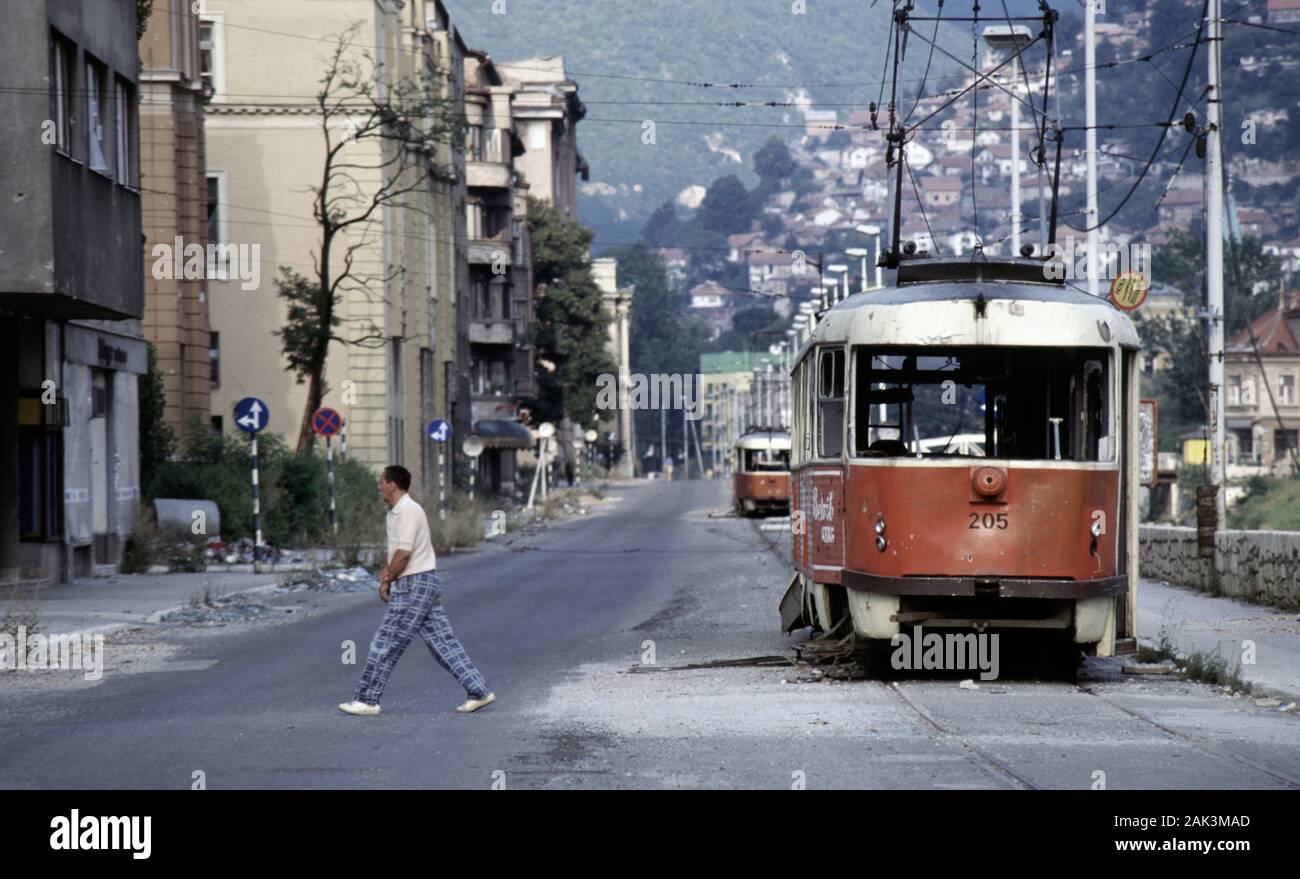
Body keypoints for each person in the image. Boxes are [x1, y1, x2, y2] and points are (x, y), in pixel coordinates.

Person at [338, 465, 494, 716]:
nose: (378, 486)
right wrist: (389, 578)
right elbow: (398, 552)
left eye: (381, 481)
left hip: (415, 583)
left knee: (387, 641)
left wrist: (388, 577)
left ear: (392, 484)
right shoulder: (395, 513)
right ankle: (478, 690)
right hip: (420, 581)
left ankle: (367, 699)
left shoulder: (409, 510)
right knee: (442, 643)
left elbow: (404, 552)